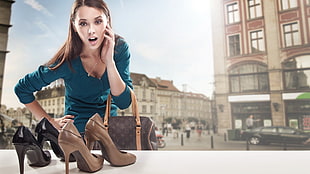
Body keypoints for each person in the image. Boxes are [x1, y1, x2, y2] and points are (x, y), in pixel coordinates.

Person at [14, 0, 133, 133]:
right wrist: (50, 122)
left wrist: (110, 63)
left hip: (111, 134)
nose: (91, 30)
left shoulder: (119, 48)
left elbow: (124, 103)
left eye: (98, 21)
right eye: (83, 23)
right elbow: (22, 89)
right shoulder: (67, 60)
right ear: (74, 25)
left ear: (107, 21)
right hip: (77, 136)